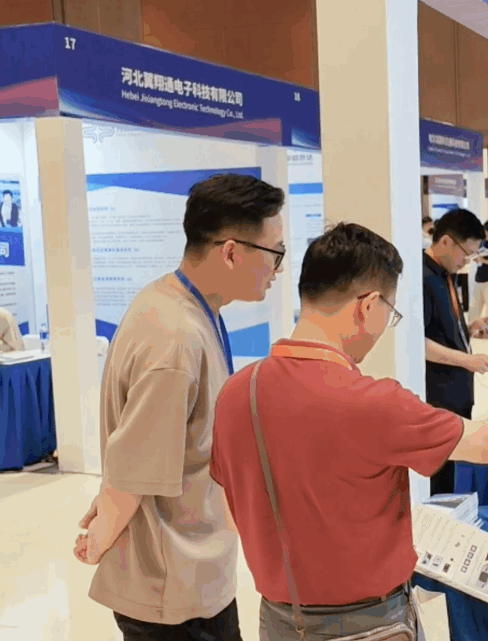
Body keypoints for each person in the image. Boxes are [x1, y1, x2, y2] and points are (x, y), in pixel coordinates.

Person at [209, 222, 488, 640]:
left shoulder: (237, 391)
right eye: (391, 313)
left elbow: (231, 506)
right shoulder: (373, 402)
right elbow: (479, 441)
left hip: (277, 621)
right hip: (370, 624)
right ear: (369, 305)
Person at [73, 174, 286, 641]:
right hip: (171, 591)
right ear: (231, 253)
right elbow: (133, 473)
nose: (279, 268)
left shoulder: (183, 305)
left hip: (195, 574)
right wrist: (101, 538)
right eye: (276, 253)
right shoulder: (175, 337)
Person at [423, 208, 488, 495]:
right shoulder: (424, 278)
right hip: (439, 396)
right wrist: (466, 360)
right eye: (466, 254)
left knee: (455, 472)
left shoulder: (446, 274)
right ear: (445, 242)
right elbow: (419, 343)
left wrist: (469, 328)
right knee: (440, 479)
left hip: (458, 395)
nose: (467, 262)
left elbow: (442, 329)